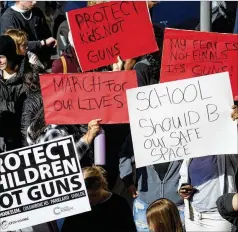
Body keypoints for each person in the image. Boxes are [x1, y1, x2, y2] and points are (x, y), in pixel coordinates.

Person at [178, 105, 238, 231]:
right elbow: (183, 178)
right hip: (193, 216)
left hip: (218, 218)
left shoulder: (225, 151)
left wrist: (235, 124)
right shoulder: (190, 151)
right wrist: (183, 189)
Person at [119, 133, 184, 232]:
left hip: (178, 204)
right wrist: (128, 180)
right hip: (146, 203)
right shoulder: (140, 130)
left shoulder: (183, 129)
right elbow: (125, 155)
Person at [62, 166, 137, 232]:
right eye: (85, 196)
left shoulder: (119, 204)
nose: (89, 200)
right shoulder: (77, 206)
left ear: (101, 187)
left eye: (94, 195)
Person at [0, 1, 57, 68]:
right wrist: (42, 43)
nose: (35, 2)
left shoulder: (37, 12)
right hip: (22, 67)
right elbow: (14, 46)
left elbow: (47, 36)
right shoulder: (9, 18)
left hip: (43, 63)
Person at [0, 34, 26, 152]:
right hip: (3, 138)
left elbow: (26, 108)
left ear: (9, 54)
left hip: (23, 137)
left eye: (1, 57)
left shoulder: (28, 75)